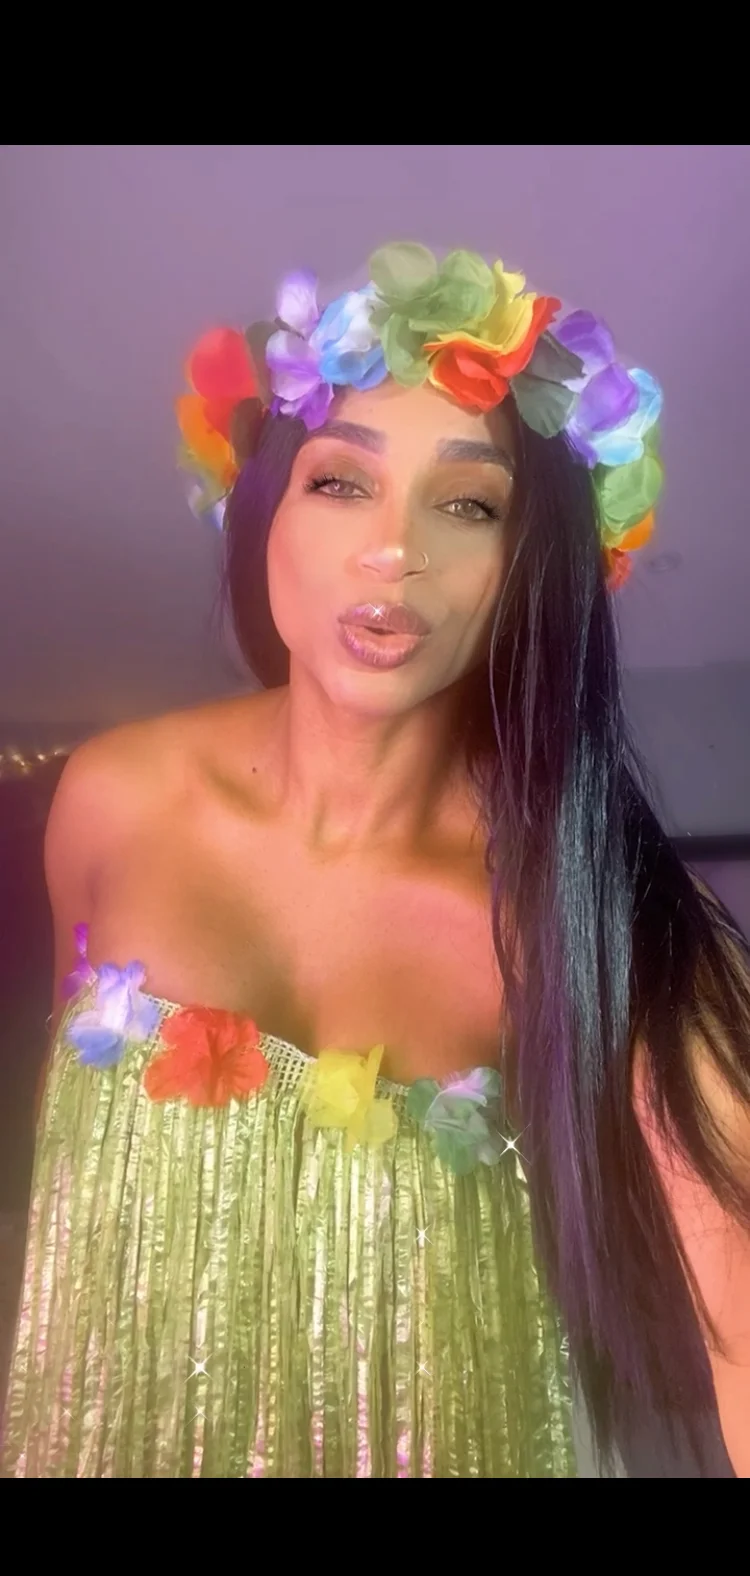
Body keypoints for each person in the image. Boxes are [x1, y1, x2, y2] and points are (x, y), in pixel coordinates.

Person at [2, 242, 749, 1479]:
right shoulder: (109, 803)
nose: (393, 550)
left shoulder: (603, 916)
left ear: (532, 568)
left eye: (469, 504)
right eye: (341, 482)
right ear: (268, 517)